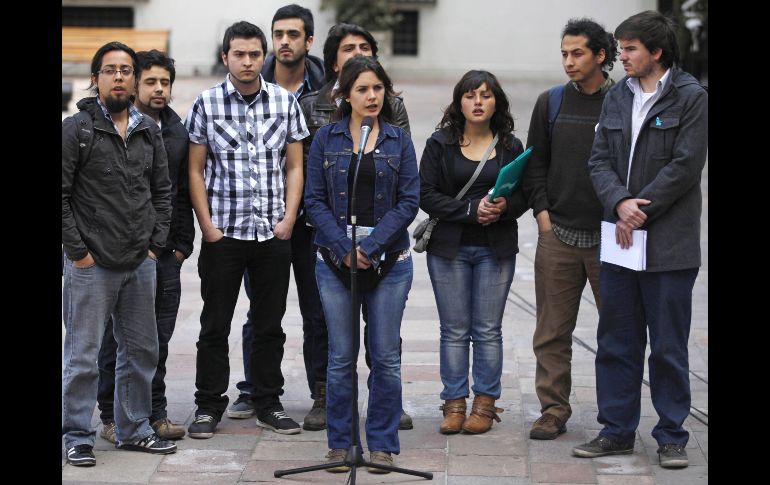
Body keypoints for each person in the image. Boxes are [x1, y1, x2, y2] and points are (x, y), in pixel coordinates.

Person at [573, 11, 708, 469]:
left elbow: (686, 167)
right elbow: (598, 161)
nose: (621, 56)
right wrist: (619, 204)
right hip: (621, 241)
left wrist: (639, 207)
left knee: (668, 345)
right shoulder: (616, 97)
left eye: (630, 48)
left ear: (656, 52)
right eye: (621, 47)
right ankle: (616, 430)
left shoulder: (692, 97)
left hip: (668, 244)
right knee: (616, 339)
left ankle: (671, 435)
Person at [185, 20, 309, 439]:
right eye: (239, 54)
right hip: (224, 234)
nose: (247, 61)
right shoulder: (206, 103)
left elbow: (295, 165)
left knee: (269, 323)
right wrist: (208, 226)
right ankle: (207, 406)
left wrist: (288, 219)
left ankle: (267, 402)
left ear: (264, 56)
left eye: (255, 54)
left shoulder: (284, 102)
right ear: (226, 57)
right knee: (214, 323)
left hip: (272, 234)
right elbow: (195, 170)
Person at [62, 41, 176, 466]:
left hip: (138, 263)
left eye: (126, 70)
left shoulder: (148, 130)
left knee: (141, 352)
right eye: (110, 70)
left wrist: (152, 247)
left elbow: (162, 192)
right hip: (91, 266)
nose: (119, 77)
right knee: (83, 356)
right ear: (96, 80)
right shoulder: (77, 131)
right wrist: (79, 254)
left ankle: (133, 429)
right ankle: (77, 434)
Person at [304, 55, 419, 472]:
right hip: (335, 260)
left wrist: (370, 248)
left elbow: (409, 201)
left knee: (385, 356)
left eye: (377, 88)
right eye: (362, 89)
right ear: (345, 95)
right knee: (340, 357)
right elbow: (313, 200)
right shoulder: (327, 139)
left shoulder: (397, 140)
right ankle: (340, 444)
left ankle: (383, 444)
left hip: (389, 262)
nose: (372, 97)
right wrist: (342, 246)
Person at [227, 5, 328, 433]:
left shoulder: (329, 92)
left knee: (316, 309)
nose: (285, 41)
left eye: (294, 34)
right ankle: (255, 388)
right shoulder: (253, 83)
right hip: (263, 222)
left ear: (309, 41)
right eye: (279, 34)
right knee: (261, 310)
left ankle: (322, 392)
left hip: (311, 221)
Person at [521, 18, 617, 441]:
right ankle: (553, 409)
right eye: (564, 53)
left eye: (577, 53)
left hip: (612, 239)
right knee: (552, 330)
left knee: (618, 331)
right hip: (558, 234)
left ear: (601, 55)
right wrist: (542, 214)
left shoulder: (624, 102)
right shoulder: (552, 102)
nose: (568, 61)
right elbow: (534, 161)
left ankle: (617, 416)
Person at [419, 70, 529, 435]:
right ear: (459, 102)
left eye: (485, 95)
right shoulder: (440, 143)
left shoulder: (511, 146)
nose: (478, 102)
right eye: (470, 95)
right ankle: (453, 403)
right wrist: (469, 210)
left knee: (487, 329)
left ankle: (484, 403)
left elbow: (526, 193)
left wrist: (504, 208)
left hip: (494, 249)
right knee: (453, 329)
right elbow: (424, 193)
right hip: (449, 248)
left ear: (496, 101)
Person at [95, 49, 195, 444]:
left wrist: (180, 245)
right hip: (116, 253)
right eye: (150, 81)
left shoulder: (176, 131)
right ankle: (111, 414)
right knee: (113, 342)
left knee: (156, 341)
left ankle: (154, 412)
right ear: (135, 83)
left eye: (165, 82)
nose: (158, 89)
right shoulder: (112, 126)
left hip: (163, 253)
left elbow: (180, 192)